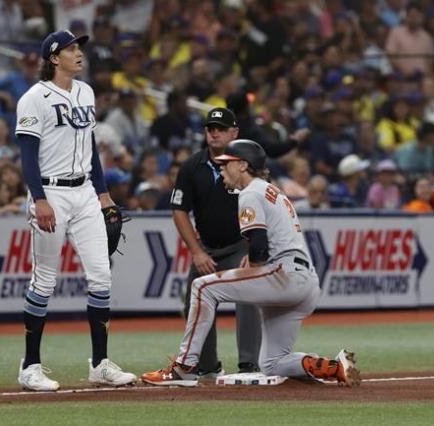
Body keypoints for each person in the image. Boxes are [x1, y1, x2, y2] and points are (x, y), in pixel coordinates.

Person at [142, 139, 360, 387]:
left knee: (203, 287)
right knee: (272, 363)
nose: (222, 168)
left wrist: (253, 263)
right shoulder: (270, 189)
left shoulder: (250, 193)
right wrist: (255, 261)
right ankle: (334, 367)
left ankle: (183, 368)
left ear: (243, 165)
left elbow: (258, 244)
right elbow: (263, 242)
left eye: (227, 164)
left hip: (284, 275)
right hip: (304, 282)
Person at [15, 29, 136, 391]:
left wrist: (103, 192)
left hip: (84, 191)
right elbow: (27, 155)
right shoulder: (34, 98)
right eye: (70, 48)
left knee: (101, 276)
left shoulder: (86, 92)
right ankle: (30, 366)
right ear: (54, 58)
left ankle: (99, 364)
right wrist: (39, 199)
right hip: (50, 190)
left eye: (78, 47)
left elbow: (91, 146)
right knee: (44, 280)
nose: (78, 52)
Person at [170, 107, 262, 378]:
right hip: (207, 248)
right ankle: (208, 366)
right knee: (195, 302)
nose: (214, 133)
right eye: (210, 128)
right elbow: (179, 210)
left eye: (221, 129)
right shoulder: (191, 166)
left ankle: (248, 365)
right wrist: (197, 251)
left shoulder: (246, 164)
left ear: (234, 132)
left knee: (248, 294)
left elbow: (262, 201)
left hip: (238, 245)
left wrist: (253, 247)